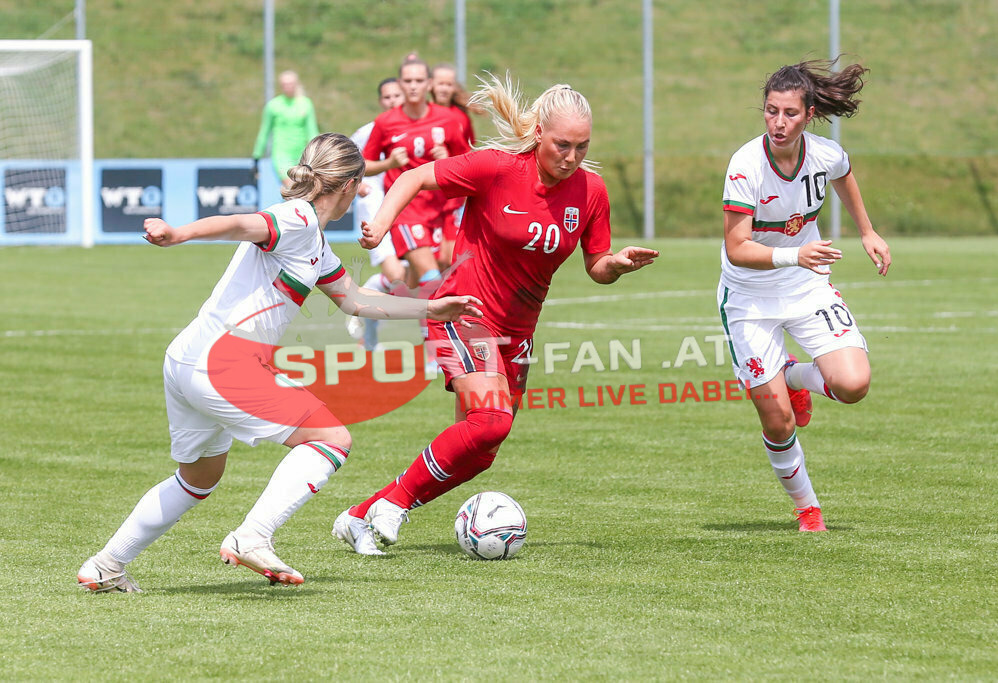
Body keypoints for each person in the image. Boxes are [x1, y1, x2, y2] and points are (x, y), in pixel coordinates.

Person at [77, 133, 481, 592]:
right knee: (331, 439)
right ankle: (253, 536)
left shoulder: (314, 241)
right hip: (223, 361)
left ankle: (107, 564)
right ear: (350, 185)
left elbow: (355, 300)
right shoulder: (297, 218)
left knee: (198, 478)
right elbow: (239, 223)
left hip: (187, 358)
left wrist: (432, 308)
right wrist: (178, 234)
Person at [331, 73, 659, 555]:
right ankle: (394, 504)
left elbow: (596, 266)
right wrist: (381, 225)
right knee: (491, 421)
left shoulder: (591, 192)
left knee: (482, 451)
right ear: (539, 135)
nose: (571, 158)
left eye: (582, 147)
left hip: (517, 334)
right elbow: (415, 176)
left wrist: (617, 265)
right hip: (463, 311)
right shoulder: (498, 168)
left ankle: (360, 516)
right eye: (562, 145)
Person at [718, 59, 892, 532]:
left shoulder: (824, 153)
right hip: (750, 297)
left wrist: (867, 231)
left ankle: (792, 376)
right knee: (778, 423)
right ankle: (808, 509)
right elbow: (737, 249)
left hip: (805, 285)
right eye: (771, 111)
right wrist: (796, 255)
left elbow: (844, 173)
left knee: (853, 385)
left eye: (790, 113)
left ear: (809, 114)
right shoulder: (745, 165)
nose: (778, 122)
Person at [361, 57, 470, 291]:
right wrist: (388, 163)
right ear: (400, 83)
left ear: (428, 84)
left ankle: (378, 289)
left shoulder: (448, 119)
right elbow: (364, 165)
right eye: (408, 80)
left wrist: (447, 161)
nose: (413, 86)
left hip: (442, 208)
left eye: (419, 80)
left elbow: (468, 163)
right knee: (431, 279)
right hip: (406, 210)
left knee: (429, 276)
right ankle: (432, 330)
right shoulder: (385, 122)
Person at [347, 77, 411, 351]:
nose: (393, 101)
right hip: (374, 209)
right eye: (387, 97)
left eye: (397, 95)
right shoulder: (370, 131)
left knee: (415, 276)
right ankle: (372, 291)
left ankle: (372, 296)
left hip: (409, 209)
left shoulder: (415, 129)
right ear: (380, 101)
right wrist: (357, 184)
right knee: (398, 275)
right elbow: (344, 159)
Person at [430, 62, 480, 270]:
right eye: (440, 83)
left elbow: (468, 155)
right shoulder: (420, 114)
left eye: (448, 84)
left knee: (447, 257)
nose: (443, 88)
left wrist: (448, 157)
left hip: (451, 197)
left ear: (454, 88)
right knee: (427, 258)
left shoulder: (460, 119)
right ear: (431, 85)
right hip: (424, 198)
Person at [252, 70, 320, 191]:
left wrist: (317, 153)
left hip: (302, 154)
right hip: (281, 154)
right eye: (285, 84)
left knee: (304, 191)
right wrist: (256, 156)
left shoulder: (305, 104)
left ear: (296, 84)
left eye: (290, 83)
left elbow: (312, 131)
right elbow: (264, 132)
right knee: (292, 188)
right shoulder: (273, 106)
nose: (288, 87)